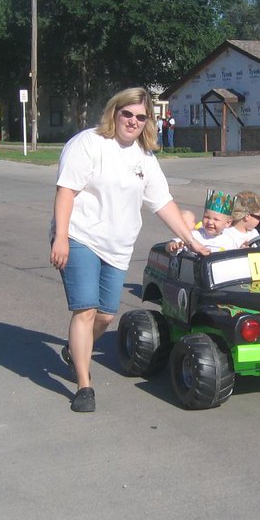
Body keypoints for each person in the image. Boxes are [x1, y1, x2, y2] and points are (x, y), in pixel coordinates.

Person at [49, 87, 209, 413]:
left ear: (147, 121)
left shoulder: (144, 158)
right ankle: (84, 384)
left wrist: (192, 240)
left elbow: (162, 202)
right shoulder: (88, 144)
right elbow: (66, 191)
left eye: (140, 117)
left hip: (118, 245)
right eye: (127, 114)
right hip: (81, 237)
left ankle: (74, 349)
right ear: (115, 112)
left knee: (106, 315)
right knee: (85, 310)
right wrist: (61, 237)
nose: (133, 121)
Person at [165, 190, 238, 253]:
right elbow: (173, 244)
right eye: (207, 217)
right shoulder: (194, 235)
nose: (210, 222)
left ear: (228, 223)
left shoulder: (229, 240)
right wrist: (173, 246)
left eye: (216, 219)